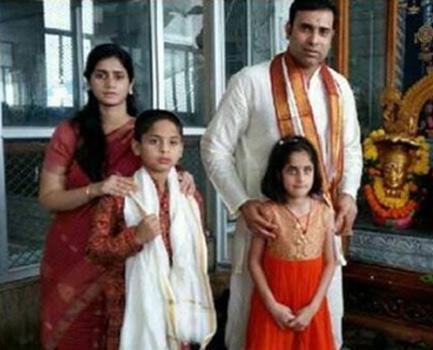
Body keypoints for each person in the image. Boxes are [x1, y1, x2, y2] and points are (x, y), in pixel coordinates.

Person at [200, 1, 362, 348]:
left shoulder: (340, 88)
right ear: (287, 29)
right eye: (305, 28)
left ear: (332, 36)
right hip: (266, 228)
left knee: (322, 324)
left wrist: (348, 194)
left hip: (319, 228)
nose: (313, 39)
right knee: (254, 328)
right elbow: (214, 147)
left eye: (323, 31)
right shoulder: (251, 82)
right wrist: (242, 203)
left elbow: (351, 149)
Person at [38, 43, 194, 349]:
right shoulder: (70, 133)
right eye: (101, 75)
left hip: (131, 253)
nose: (110, 83)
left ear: (131, 83)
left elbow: (167, 175)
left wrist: (184, 178)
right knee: (73, 334)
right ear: (88, 80)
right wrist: (95, 189)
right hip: (74, 251)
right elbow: (48, 198)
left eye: (119, 76)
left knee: (130, 333)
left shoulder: (145, 134)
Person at [87, 109, 215, 349]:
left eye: (173, 142)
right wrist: (134, 237)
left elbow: (196, 246)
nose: (165, 149)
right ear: (137, 147)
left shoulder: (189, 196)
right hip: (130, 307)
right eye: (154, 141)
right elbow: (95, 250)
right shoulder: (120, 195)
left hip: (178, 307)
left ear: (181, 149)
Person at [246, 136, 336, 349]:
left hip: (311, 306)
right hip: (274, 304)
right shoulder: (268, 212)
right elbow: (254, 262)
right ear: (279, 173)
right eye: (292, 170)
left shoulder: (325, 213)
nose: (300, 178)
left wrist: (313, 309)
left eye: (307, 170)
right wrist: (272, 306)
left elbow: (330, 262)